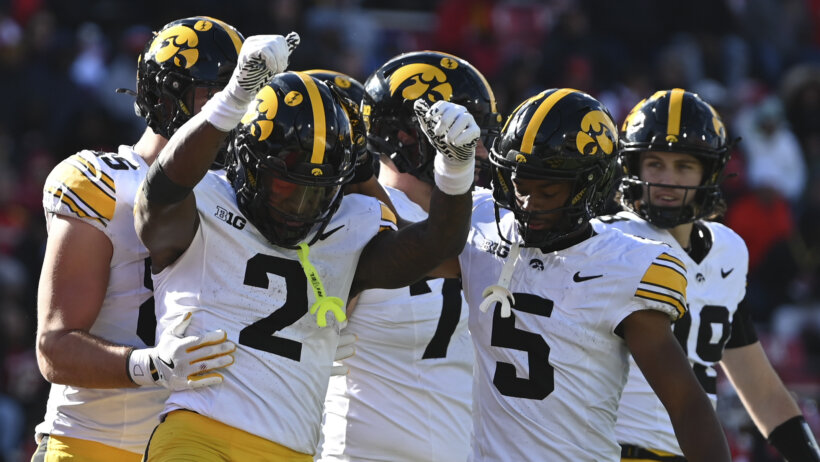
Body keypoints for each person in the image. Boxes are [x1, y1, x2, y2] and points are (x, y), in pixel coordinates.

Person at [134, 35, 479, 461]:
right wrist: (234, 97)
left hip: (291, 451)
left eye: (316, 193)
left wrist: (456, 168)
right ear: (246, 162)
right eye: (283, 184)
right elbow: (160, 193)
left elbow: (436, 244)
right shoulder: (206, 200)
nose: (298, 207)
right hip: (197, 434)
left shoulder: (347, 227)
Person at [434, 88, 731, 461]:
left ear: (589, 186)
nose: (528, 203)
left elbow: (686, 402)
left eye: (548, 191)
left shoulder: (627, 265)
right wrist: (452, 171)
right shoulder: (479, 221)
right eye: (520, 184)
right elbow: (409, 255)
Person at [33, 17, 242, 461]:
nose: (236, 112)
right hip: (94, 444)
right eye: (218, 95)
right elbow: (56, 347)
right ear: (167, 100)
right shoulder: (104, 183)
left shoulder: (242, 198)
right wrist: (153, 366)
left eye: (246, 95)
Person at [606, 88, 820, 462]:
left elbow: (762, 390)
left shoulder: (727, 250)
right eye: (655, 163)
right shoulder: (606, 243)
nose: (668, 179)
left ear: (709, 171)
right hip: (611, 451)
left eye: (684, 166)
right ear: (634, 167)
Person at [317, 51, 501, 461]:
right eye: (466, 133)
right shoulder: (352, 212)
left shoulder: (489, 211)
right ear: (405, 138)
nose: (480, 150)